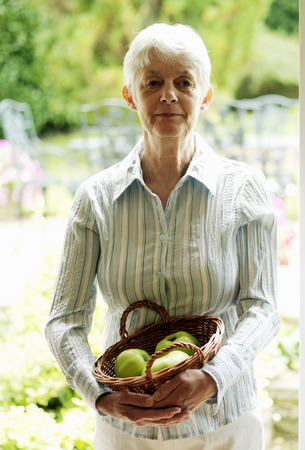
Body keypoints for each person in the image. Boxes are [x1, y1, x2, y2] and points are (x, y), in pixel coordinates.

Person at [45, 23, 280, 449]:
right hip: (126, 433)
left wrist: (212, 377)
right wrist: (101, 397)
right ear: (130, 95)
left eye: (184, 82)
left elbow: (262, 308)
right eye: (152, 82)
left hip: (223, 424)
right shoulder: (95, 198)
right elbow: (63, 321)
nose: (169, 94)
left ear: (205, 96)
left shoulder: (243, 189)